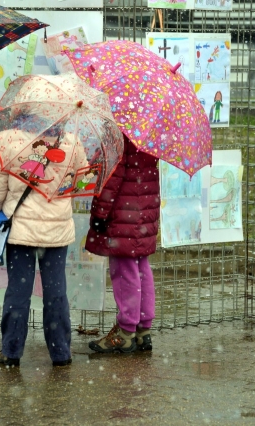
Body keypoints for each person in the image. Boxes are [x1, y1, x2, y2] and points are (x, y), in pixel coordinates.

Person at [0, 130, 88, 367]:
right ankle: (60, 353)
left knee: (18, 290)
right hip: (56, 231)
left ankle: (11, 351)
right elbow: (79, 183)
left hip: (20, 229)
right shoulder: (72, 140)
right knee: (56, 292)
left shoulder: (6, 140)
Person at [85, 135, 160, 353]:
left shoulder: (119, 135)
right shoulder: (147, 133)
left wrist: (99, 213)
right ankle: (143, 329)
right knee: (141, 267)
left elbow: (112, 178)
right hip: (143, 211)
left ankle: (125, 331)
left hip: (122, 214)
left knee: (124, 271)